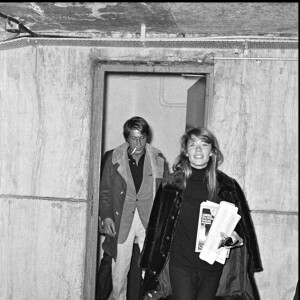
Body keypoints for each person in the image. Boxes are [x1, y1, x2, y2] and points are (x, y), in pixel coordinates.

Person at [140, 127, 263, 300]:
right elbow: (155, 227)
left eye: (204, 145)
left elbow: (243, 233)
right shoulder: (170, 185)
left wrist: (235, 240)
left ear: (212, 152)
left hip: (213, 266)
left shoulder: (227, 186)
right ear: (185, 151)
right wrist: (148, 265)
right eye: (193, 145)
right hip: (180, 265)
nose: (198, 150)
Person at [99, 116, 169, 300]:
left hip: (149, 221)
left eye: (142, 138)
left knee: (151, 270)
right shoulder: (113, 158)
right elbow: (104, 191)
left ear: (147, 137)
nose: (138, 142)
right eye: (133, 138)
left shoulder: (158, 159)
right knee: (119, 273)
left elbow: (166, 194)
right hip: (122, 220)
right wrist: (106, 217)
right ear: (126, 138)